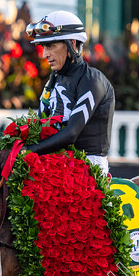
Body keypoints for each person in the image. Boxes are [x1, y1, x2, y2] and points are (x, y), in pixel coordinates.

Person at [21, 10, 115, 177]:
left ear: (71, 43)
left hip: (89, 167)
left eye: (50, 46)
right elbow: (41, 124)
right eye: (43, 47)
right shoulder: (53, 80)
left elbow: (71, 133)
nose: (45, 54)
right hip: (57, 161)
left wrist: (28, 151)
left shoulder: (92, 80)